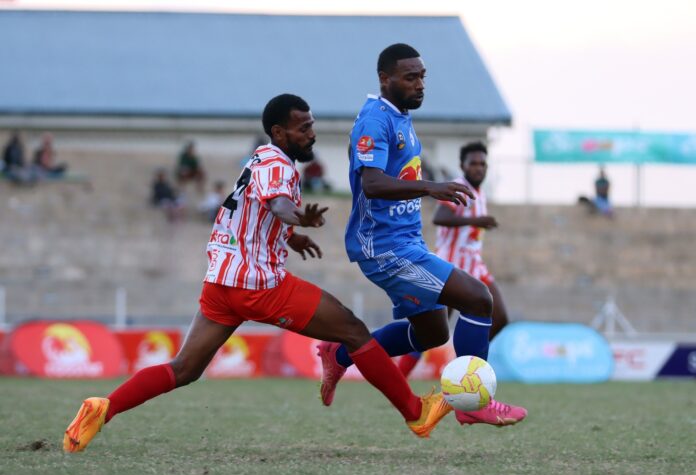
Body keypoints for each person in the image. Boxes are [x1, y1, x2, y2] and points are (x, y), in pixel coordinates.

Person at [63, 94, 452, 453]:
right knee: (352, 331)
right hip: (258, 285)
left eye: (312, 125)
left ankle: (104, 407)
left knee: (185, 368)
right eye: (303, 128)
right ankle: (415, 412)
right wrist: (297, 218)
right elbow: (279, 204)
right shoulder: (278, 165)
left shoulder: (258, 160)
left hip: (221, 281)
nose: (311, 133)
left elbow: (257, 209)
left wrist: (291, 236)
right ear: (279, 133)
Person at [316, 44, 526, 427]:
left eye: (422, 76)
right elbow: (374, 183)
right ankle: (472, 403)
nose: (420, 84)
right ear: (385, 78)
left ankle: (339, 354)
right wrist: (432, 188)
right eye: (410, 77)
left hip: (406, 242)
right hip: (383, 247)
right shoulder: (375, 121)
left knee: (430, 333)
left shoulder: (400, 118)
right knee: (479, 300)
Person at [398, 141, 510, 376]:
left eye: (483, 163)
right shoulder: (459, 186)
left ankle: (465, 368)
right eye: (473, 164)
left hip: (475, 265)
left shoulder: (480, 193)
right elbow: (440, 217)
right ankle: (398, 379)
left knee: (500, 317)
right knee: (431, 331)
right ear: (463, 166)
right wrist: (476, 221)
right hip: (451, 266)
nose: (479, 168)